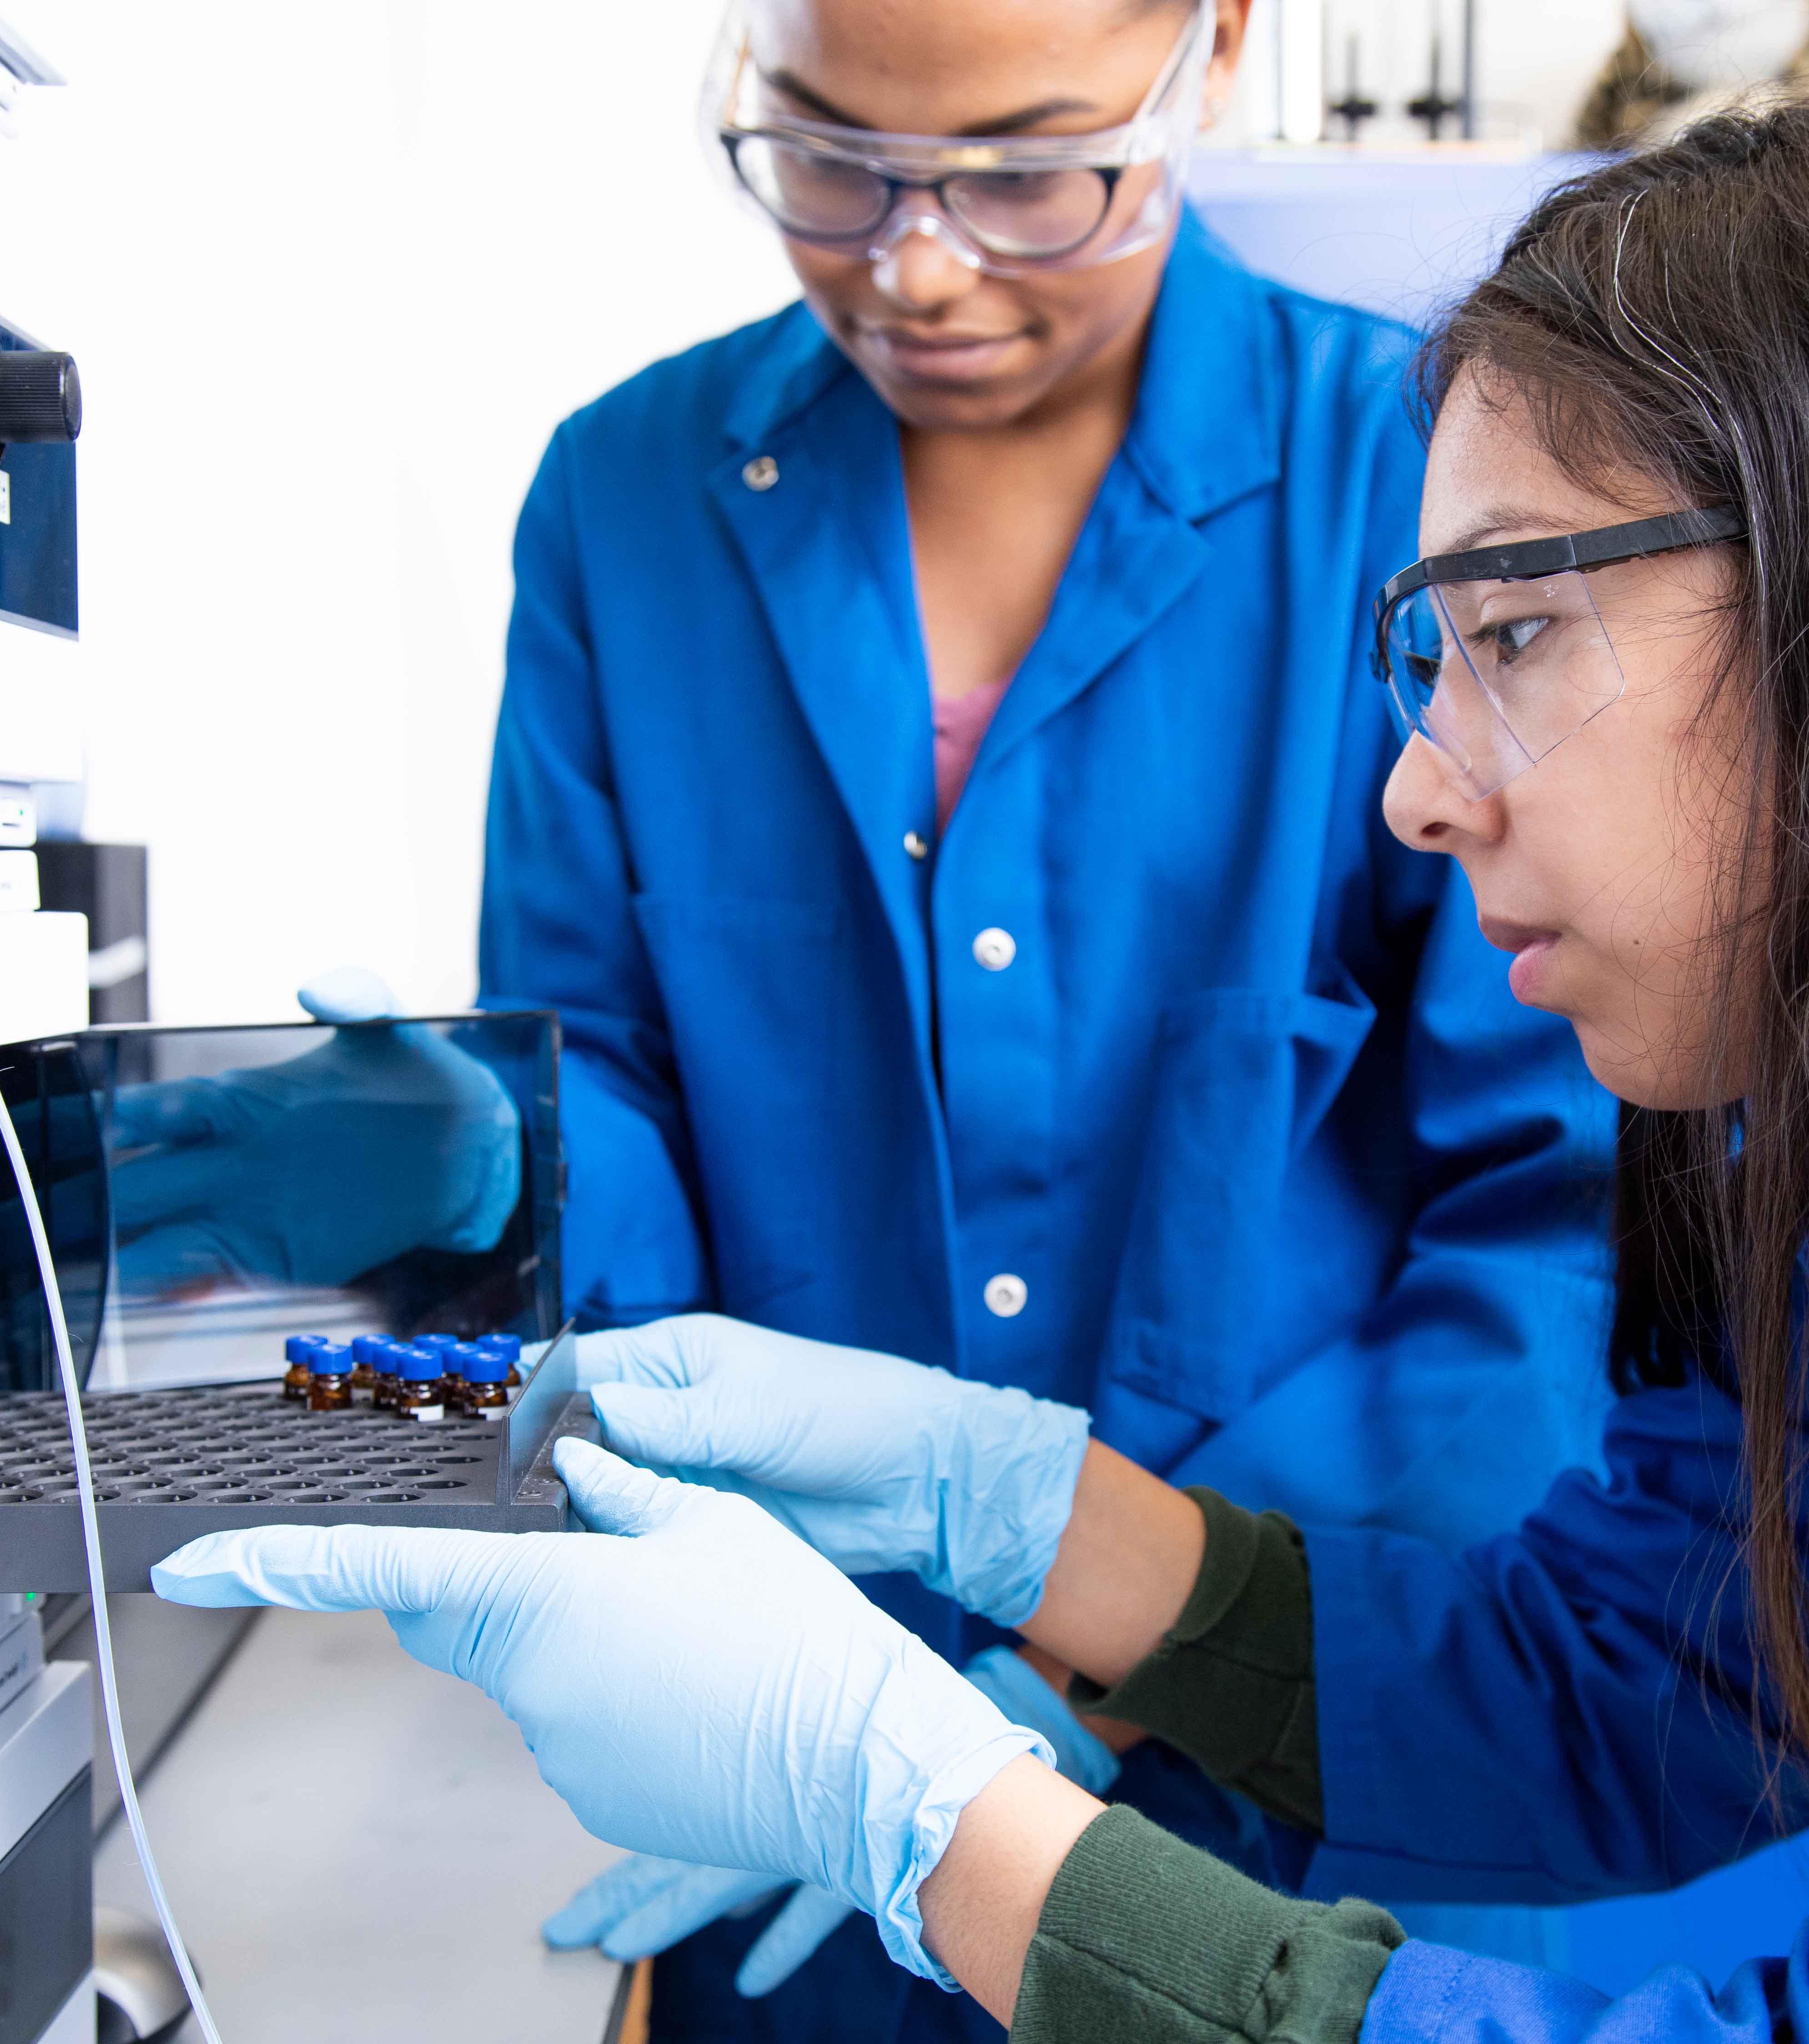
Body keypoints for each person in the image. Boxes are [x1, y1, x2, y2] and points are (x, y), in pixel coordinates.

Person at [159, 99, 1809, 2039]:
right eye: (1435, 647)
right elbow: (1647, 1673)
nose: (1418, 792)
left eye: (1514, 629)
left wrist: (932, 1810)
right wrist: (1013, 1502)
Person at [473, 0, 1647, 2026]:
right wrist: (489, 1165)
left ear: (1214, 50)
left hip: (1315, 1774)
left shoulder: (1414, 487)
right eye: (830, 159)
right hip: (790, 1757)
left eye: (1026, 176)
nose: (916, 266)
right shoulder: (630, 501)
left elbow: (1552, 1220)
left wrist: (1102, 1659)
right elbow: (605, 1094)